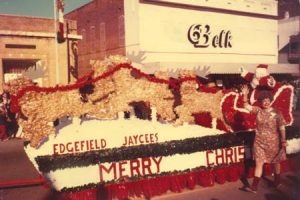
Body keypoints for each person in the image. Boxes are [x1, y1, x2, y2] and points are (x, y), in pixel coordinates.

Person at [241, 85, 287, 193]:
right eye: (263, 101)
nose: (266, 102)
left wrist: (283, 140)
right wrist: (245, 95)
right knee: (259, 163)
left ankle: (277, 181)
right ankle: (254, 187)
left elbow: (282, 127)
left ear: (270, 101)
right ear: (260, 102)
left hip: (273, 143)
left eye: (267, 100)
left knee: (276, 162)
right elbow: (246, 106)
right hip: (259, 142)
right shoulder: (258, 111)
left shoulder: (277, 113)